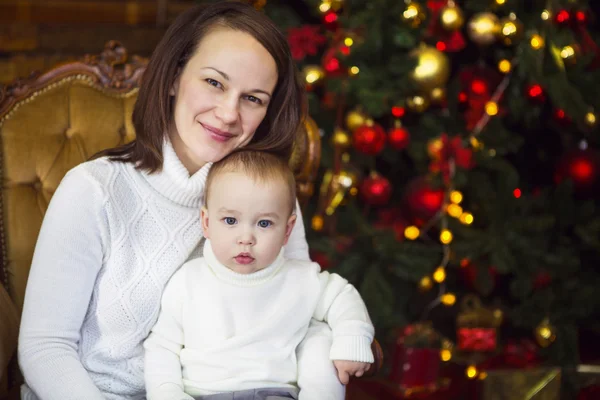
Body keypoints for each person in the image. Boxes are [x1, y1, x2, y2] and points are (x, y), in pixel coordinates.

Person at [18, 2, 359, 399]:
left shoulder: (268, 200)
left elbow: (304, 318)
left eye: (253, 98)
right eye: (214, 83)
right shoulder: (93, 190)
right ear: (174, 77)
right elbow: (46, 349)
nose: (228, 113)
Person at [144, 150, 375, 400]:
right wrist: (167, 393)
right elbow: (162, 347)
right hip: (203, 394)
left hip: (275, 393)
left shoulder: (300, 278)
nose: (246, 238)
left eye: (264, 223)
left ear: (287, 230)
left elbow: (342, 298)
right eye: (230, 220)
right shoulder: (188, 280)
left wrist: (352, 340)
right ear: (207, 222)